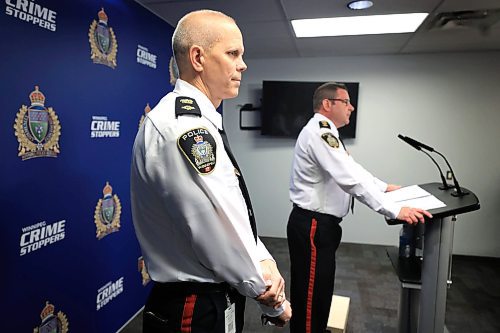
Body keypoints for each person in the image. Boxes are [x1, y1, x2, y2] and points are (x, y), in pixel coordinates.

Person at [130, 9, 291, 333]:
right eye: (233, 53)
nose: (242, 64)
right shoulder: (182, 129)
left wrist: (265, 261)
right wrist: (271, 299)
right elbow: (220, 232)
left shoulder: (201, 122)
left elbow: (233, 213)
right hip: (193, 307)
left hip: (216, 296)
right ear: (198, 58)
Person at [286, 82, 432, 333]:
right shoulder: (320, 133)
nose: (351, 108)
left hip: (321, 226)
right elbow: (349, 179)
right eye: (346, 102)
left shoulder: (327, 132)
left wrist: (385, 187)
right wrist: (394, 210)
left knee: (320, 291)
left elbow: (353, 170)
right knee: (311, 294)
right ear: (327, 104)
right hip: (313, 225)